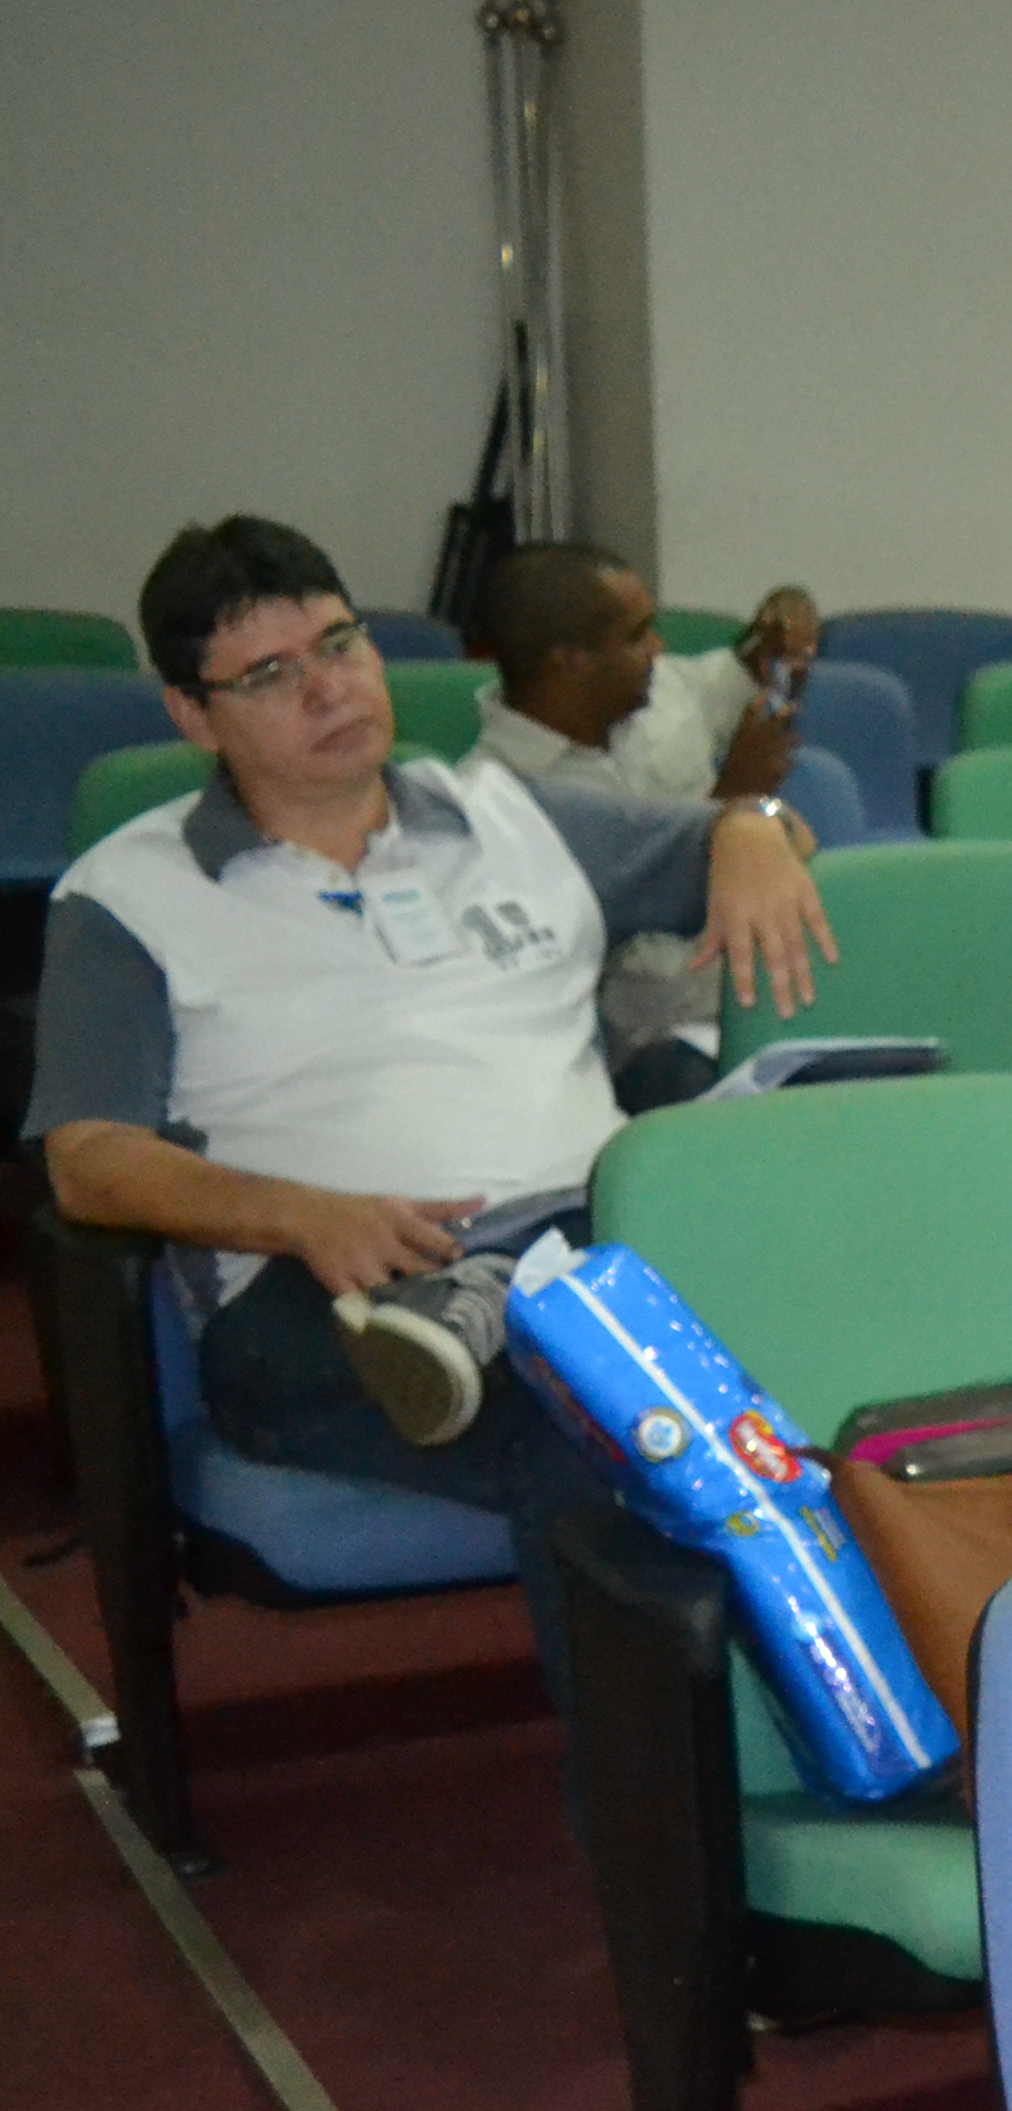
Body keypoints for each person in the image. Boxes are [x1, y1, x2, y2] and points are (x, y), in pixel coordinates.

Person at [29, 516, 835, 1725]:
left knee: (742, 1340)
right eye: (270, 675)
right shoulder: (126, 896)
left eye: (340, 644)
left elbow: (749, 825)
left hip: (587, 1244)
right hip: (325, 1295)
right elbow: (86, 1162)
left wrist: (757, 834)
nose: (330, 689)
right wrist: (298, 1216)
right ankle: (683, 1876)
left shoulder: (513, 816)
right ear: (193, 716)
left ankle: (848, 1728)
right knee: (603, 1423)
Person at [472, 540, 801, 1107]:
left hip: (762, 1007)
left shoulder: (662, 695)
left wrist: (787, 611)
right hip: (652, 1052)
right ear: (568, 660)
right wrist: (736, 798)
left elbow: (755, 661)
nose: (657, 649)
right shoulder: (498, 801)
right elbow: (641, 987)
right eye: (635, 636)